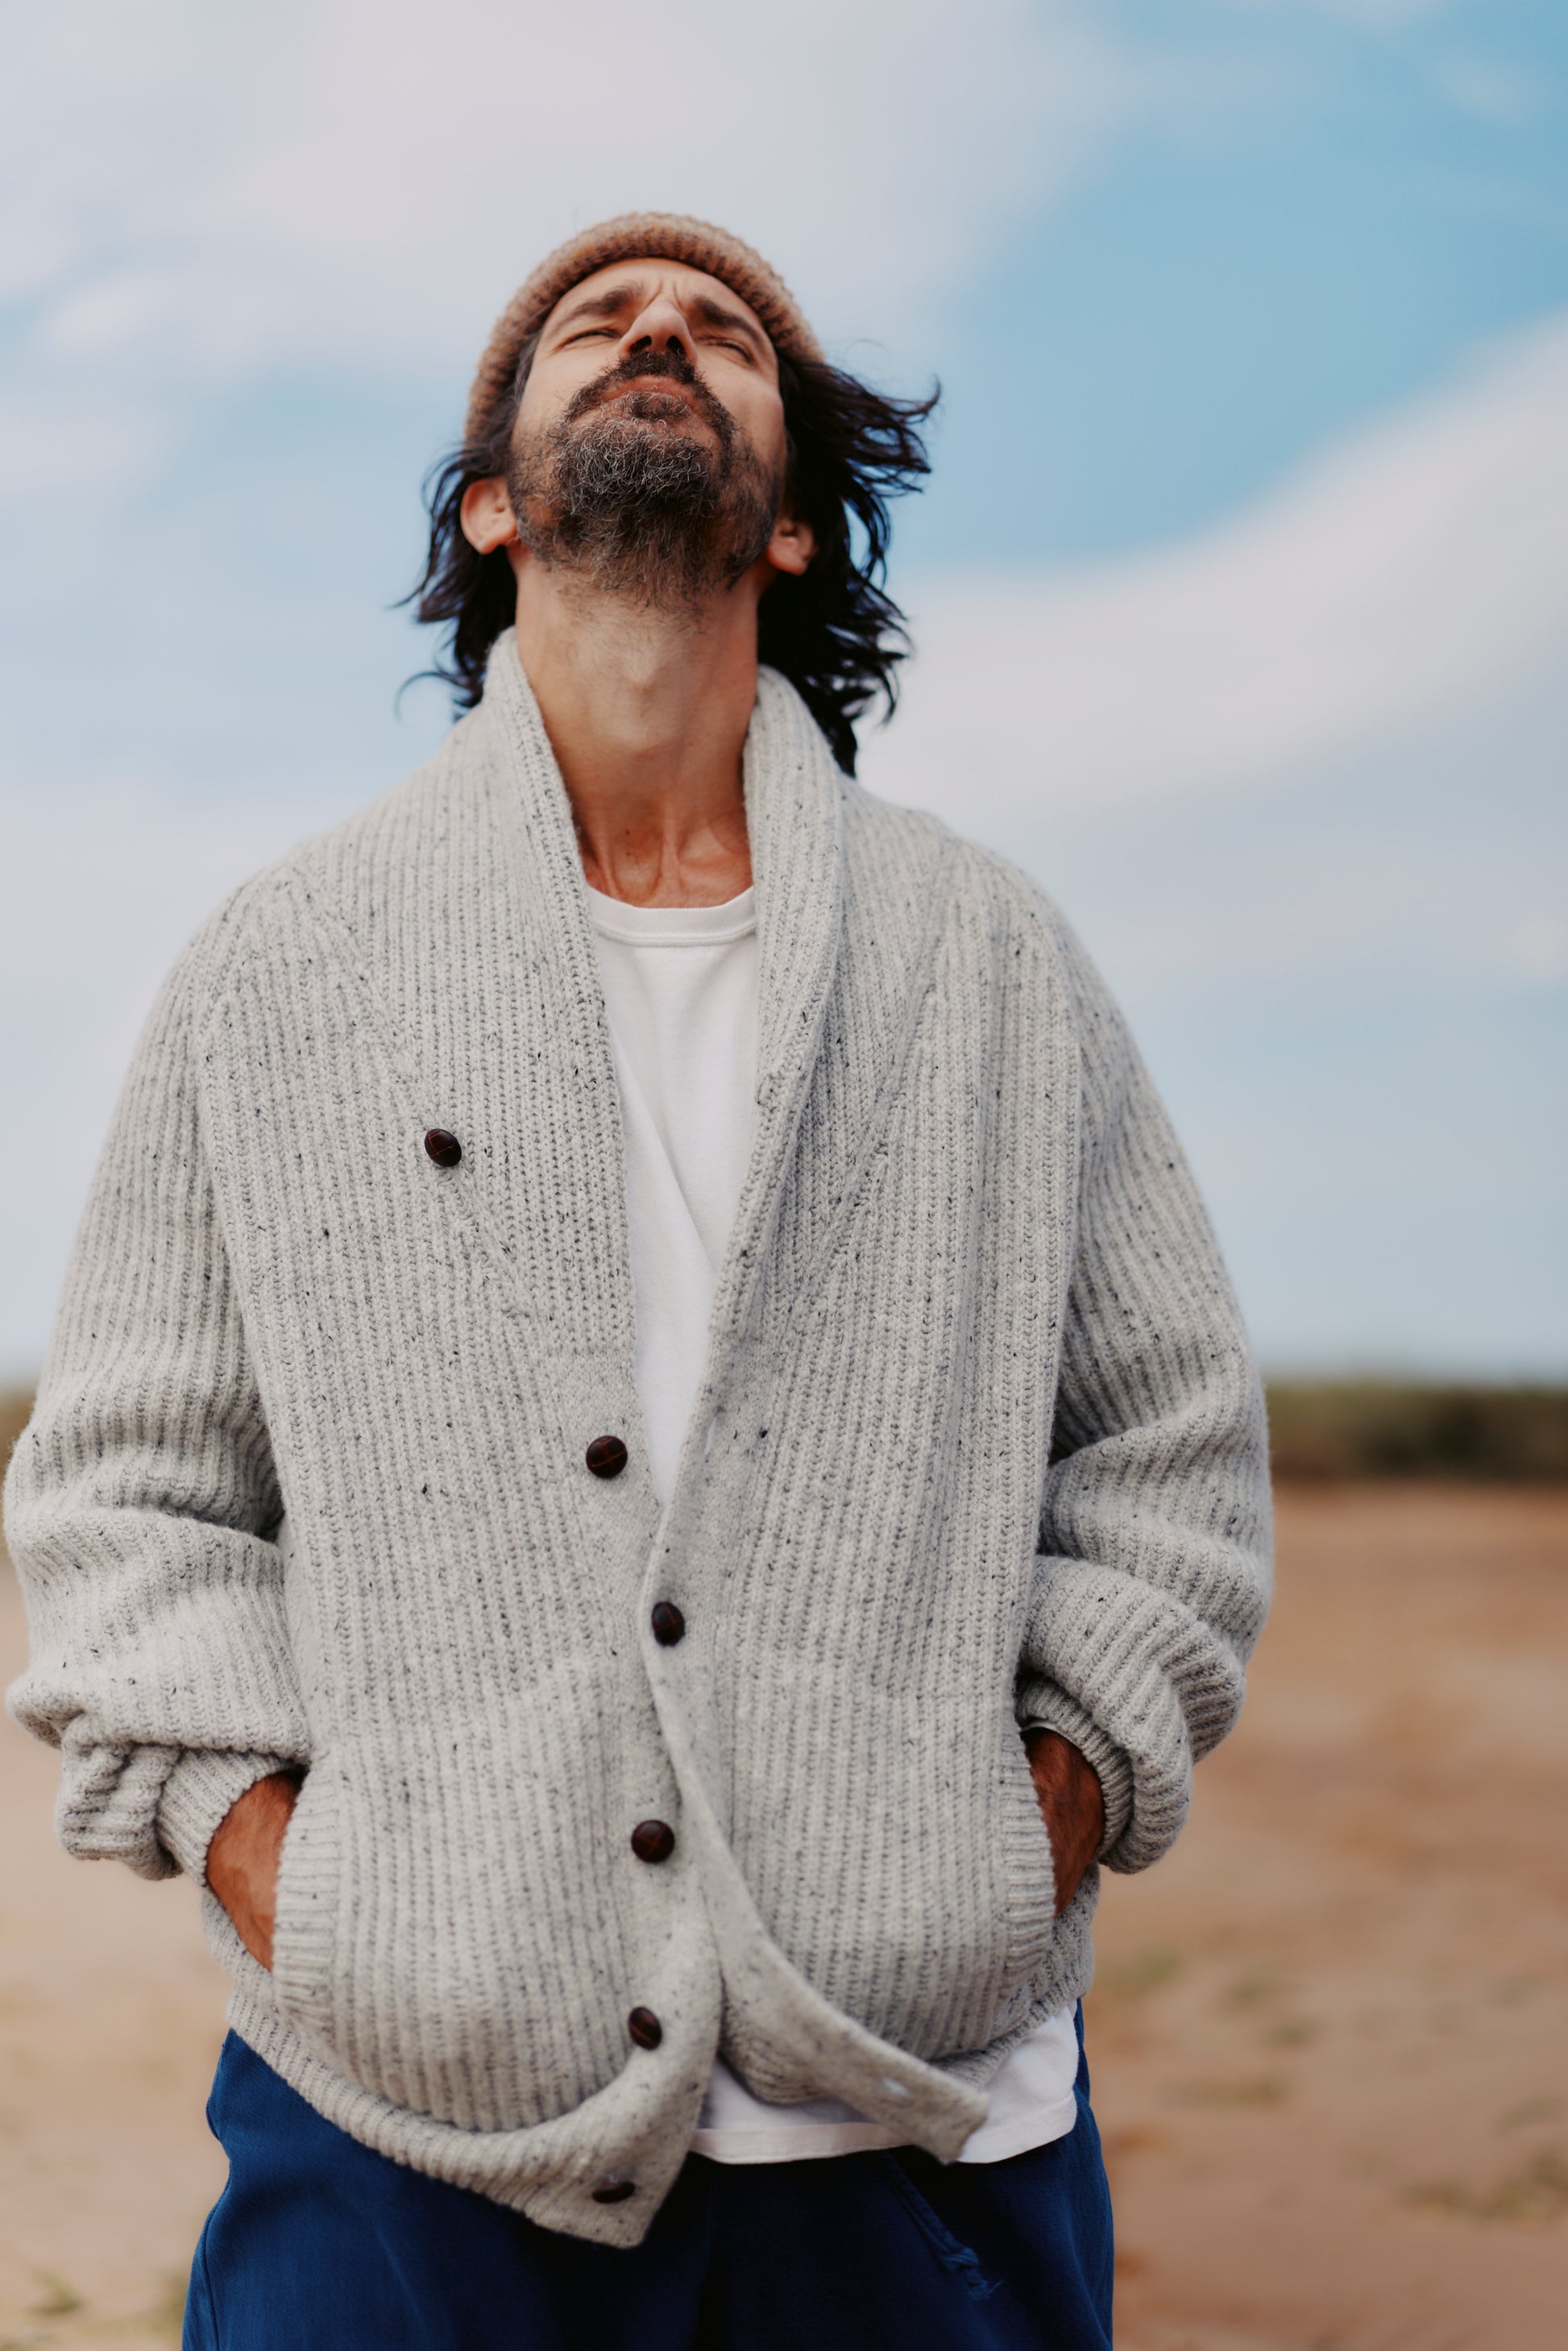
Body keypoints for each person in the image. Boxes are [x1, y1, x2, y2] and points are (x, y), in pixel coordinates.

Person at [4, 214, 1272, 2349]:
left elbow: (1162, 1451)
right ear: (494, 501)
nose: (658, 330)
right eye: (594, 325)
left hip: (916, 2123)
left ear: (786, 526)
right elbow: (125, 1496)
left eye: (722, 338)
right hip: (399, 2126)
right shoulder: (287, 964)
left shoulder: (991, 961)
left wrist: (1016, 1829)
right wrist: (297, 1884)